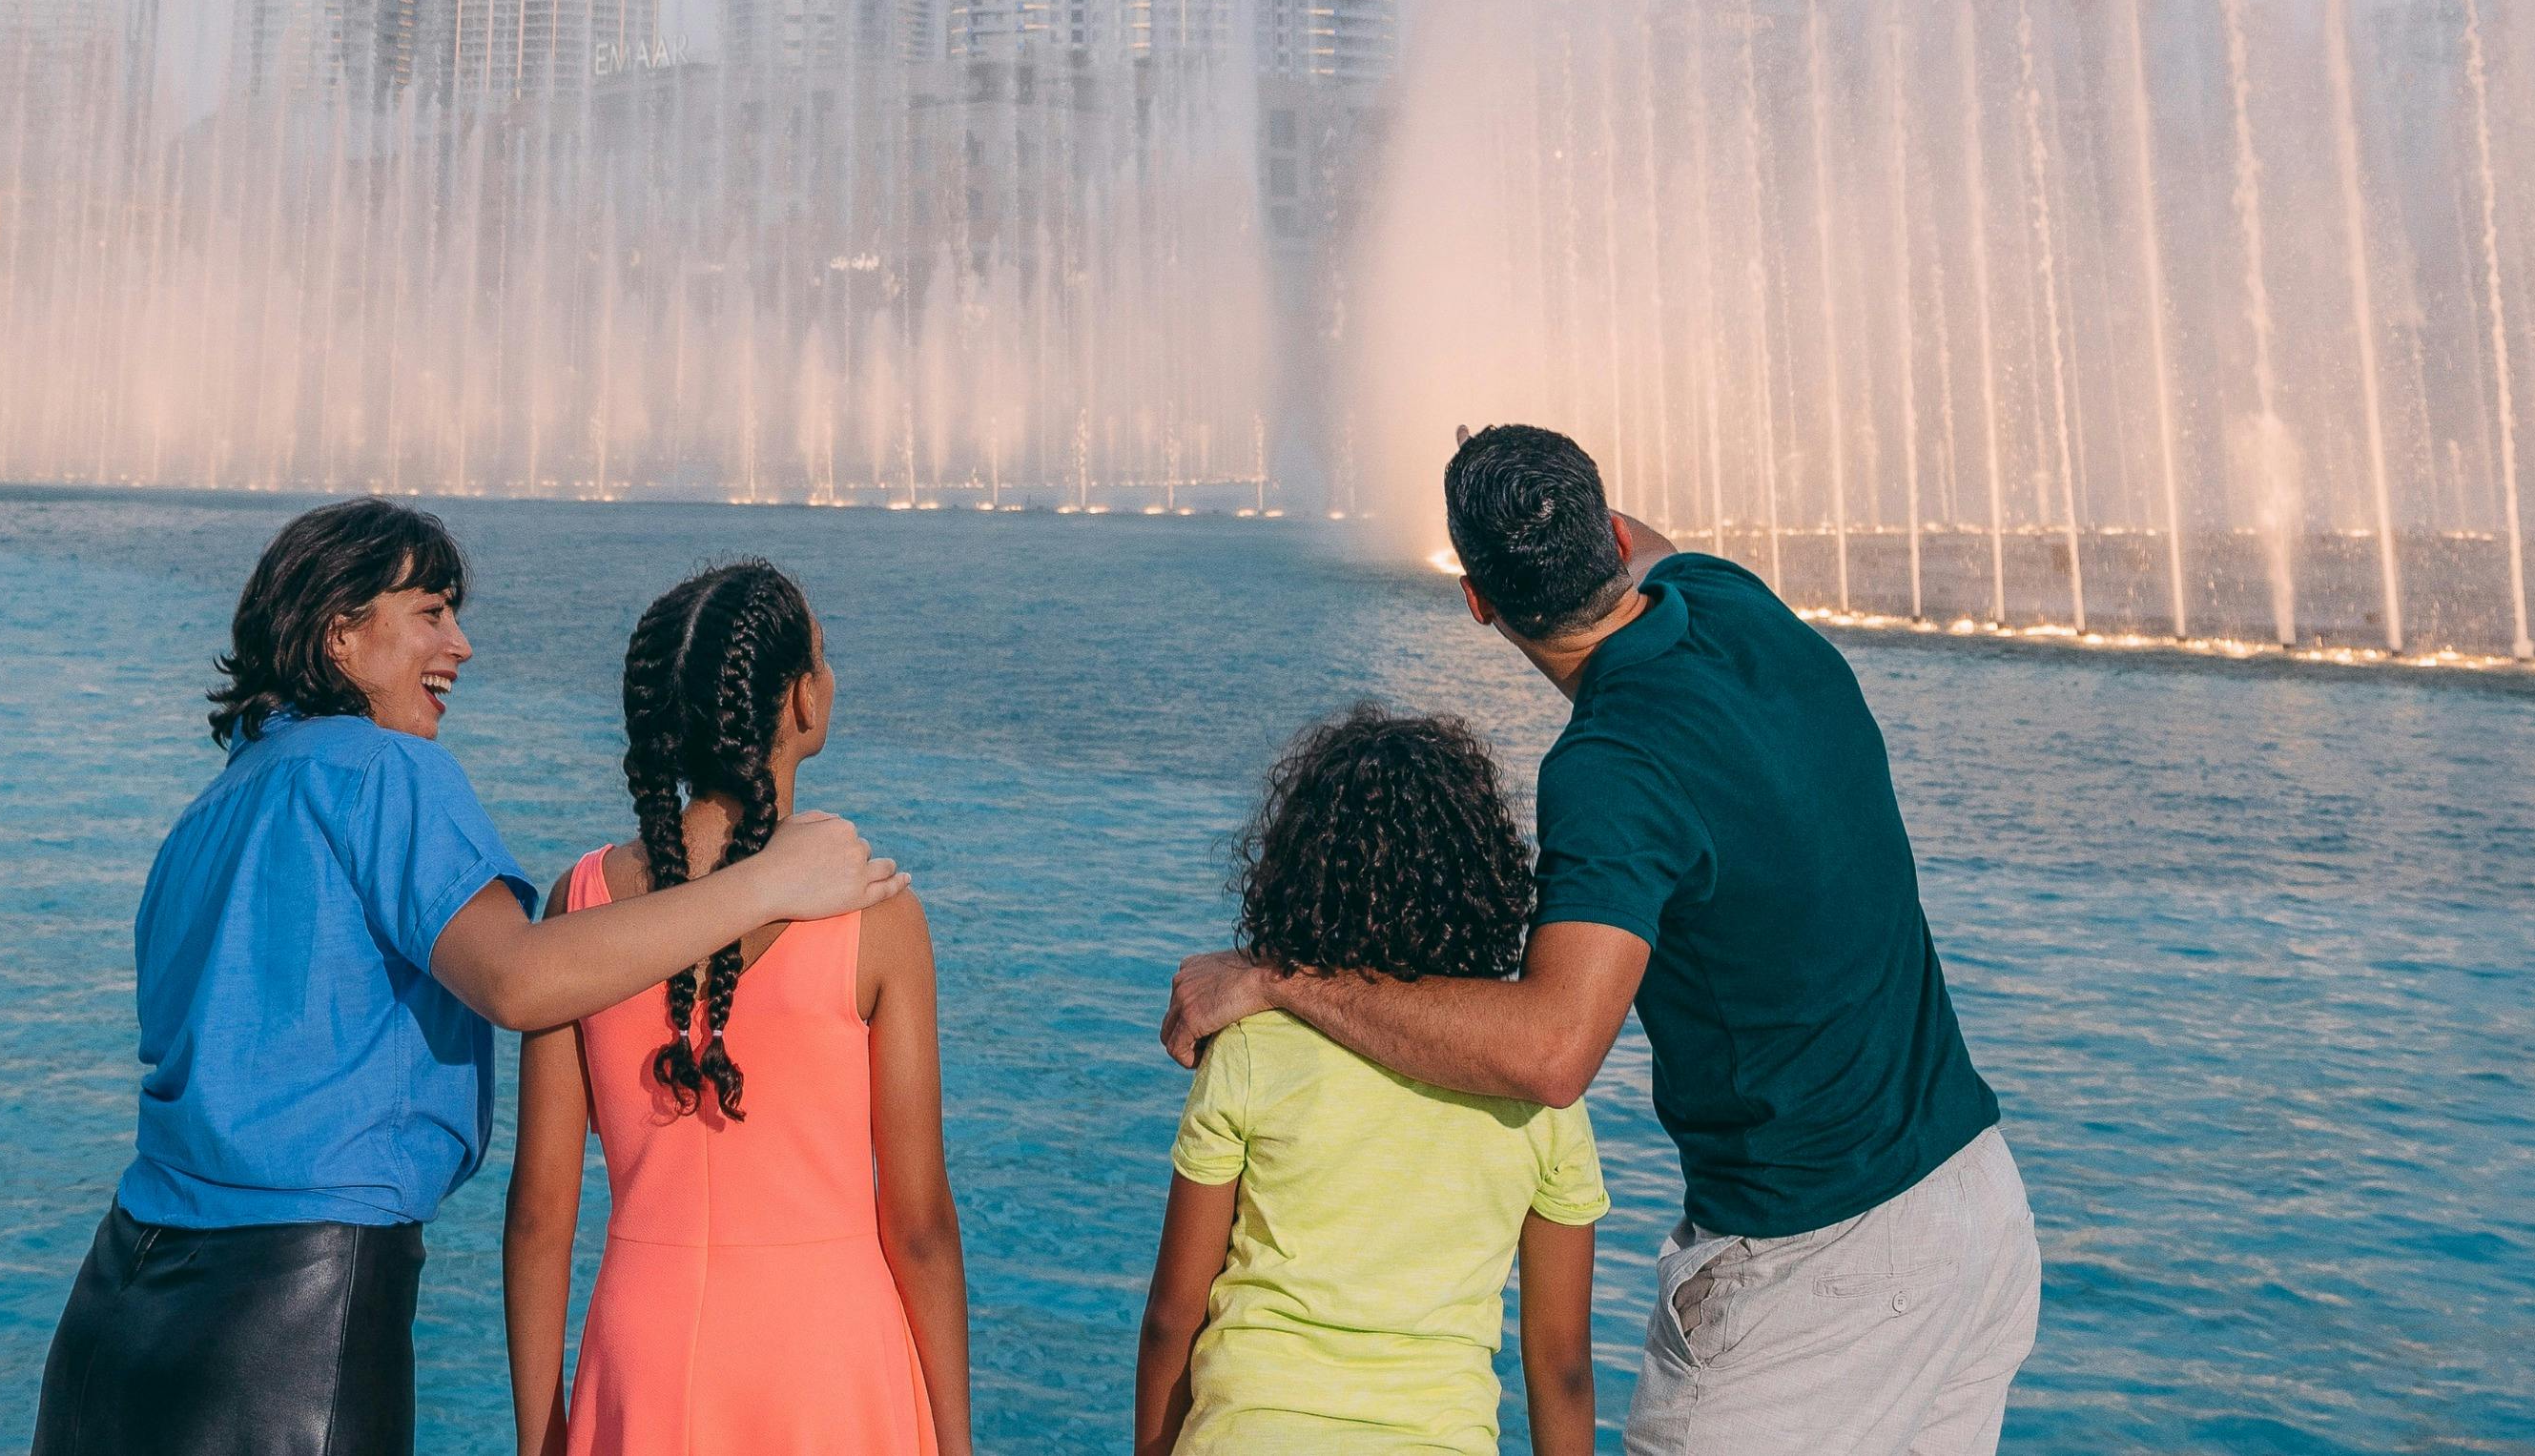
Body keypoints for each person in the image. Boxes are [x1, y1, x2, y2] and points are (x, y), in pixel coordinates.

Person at [1157, 424, 2040, 1454]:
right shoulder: (1731, 603)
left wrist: (1278, 979)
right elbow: (1652, 546)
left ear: (1477, 602)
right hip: (1975, 1210)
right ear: (1612, 536)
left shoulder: (1613, 766)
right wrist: (1528, 483)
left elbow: (1552, 1050)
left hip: (1820, 1274)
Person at [31, 502, 910, 1456]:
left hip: (119, 1304)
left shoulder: (206, 815)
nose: (461, 644)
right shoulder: (384, 770)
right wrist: (768, 884)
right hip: (291, 1315)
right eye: (431, 612)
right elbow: (517, 981)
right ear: (340, 635)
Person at [503, 559, 972, 1456]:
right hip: (829, 1362)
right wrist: (956, 1440)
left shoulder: (582, 903)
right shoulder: (877, 915)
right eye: (823, 657)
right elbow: (919, 1227)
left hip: (642, 1355)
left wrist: (541, 1439)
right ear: (800, 701)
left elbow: (537, 1216)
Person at [1133, 705, 1607, 1456]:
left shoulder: (1253, 1049)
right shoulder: (1537, 1096)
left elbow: (1172, 1316)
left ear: (1300, 871)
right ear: (1485, 881)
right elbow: (1562, 1366)